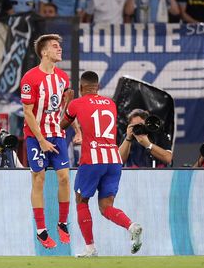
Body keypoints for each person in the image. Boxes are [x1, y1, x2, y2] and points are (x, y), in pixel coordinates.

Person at [59, 70, 142, 257]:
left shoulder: (76, 103)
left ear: (81, 88)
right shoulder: (111, 104)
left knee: (81, 201)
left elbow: (61, 126)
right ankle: (131, 226)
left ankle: (90, 248)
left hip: (92, 159)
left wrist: (66, 103)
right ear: (98, 87)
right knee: (106, 207)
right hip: (113, 159)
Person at [20, 34, 73, 249]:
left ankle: (62, 223)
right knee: (39, 179)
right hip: (35, 136)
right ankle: (41, 230)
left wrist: (75, 129)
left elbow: (63, 108)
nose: (59, 49)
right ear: (44, 52)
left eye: (60, 46)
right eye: (55, 46)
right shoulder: (29, 79)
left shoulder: (62, 78)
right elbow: (27, 112)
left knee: (64, 178)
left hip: (57, 134)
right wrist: (40, 139)